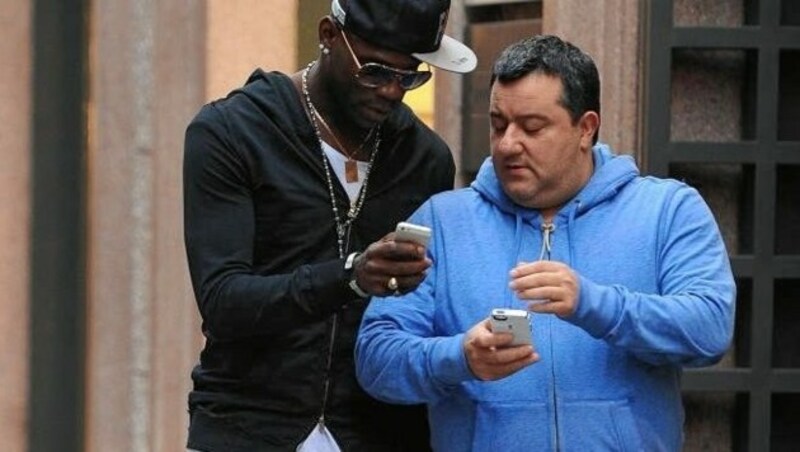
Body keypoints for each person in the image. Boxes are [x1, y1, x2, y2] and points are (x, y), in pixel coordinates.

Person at [355, 35, 736, 452]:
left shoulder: (665, 209)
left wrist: (594, 304)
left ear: (585, 128)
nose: (507, 144)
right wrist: (459, 357)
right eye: (499, 124)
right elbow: (376, 359)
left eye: (532, 127)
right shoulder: (443, 222)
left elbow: (709, 328)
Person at [181, 0, 477, 450]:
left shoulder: (424, 159)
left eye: (410, 76)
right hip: (251, 428)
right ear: (327, 35)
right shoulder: (233, 132)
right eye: (375, 71)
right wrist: (350, 277)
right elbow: (224, 300)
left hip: (377, 433)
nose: (392, 92)